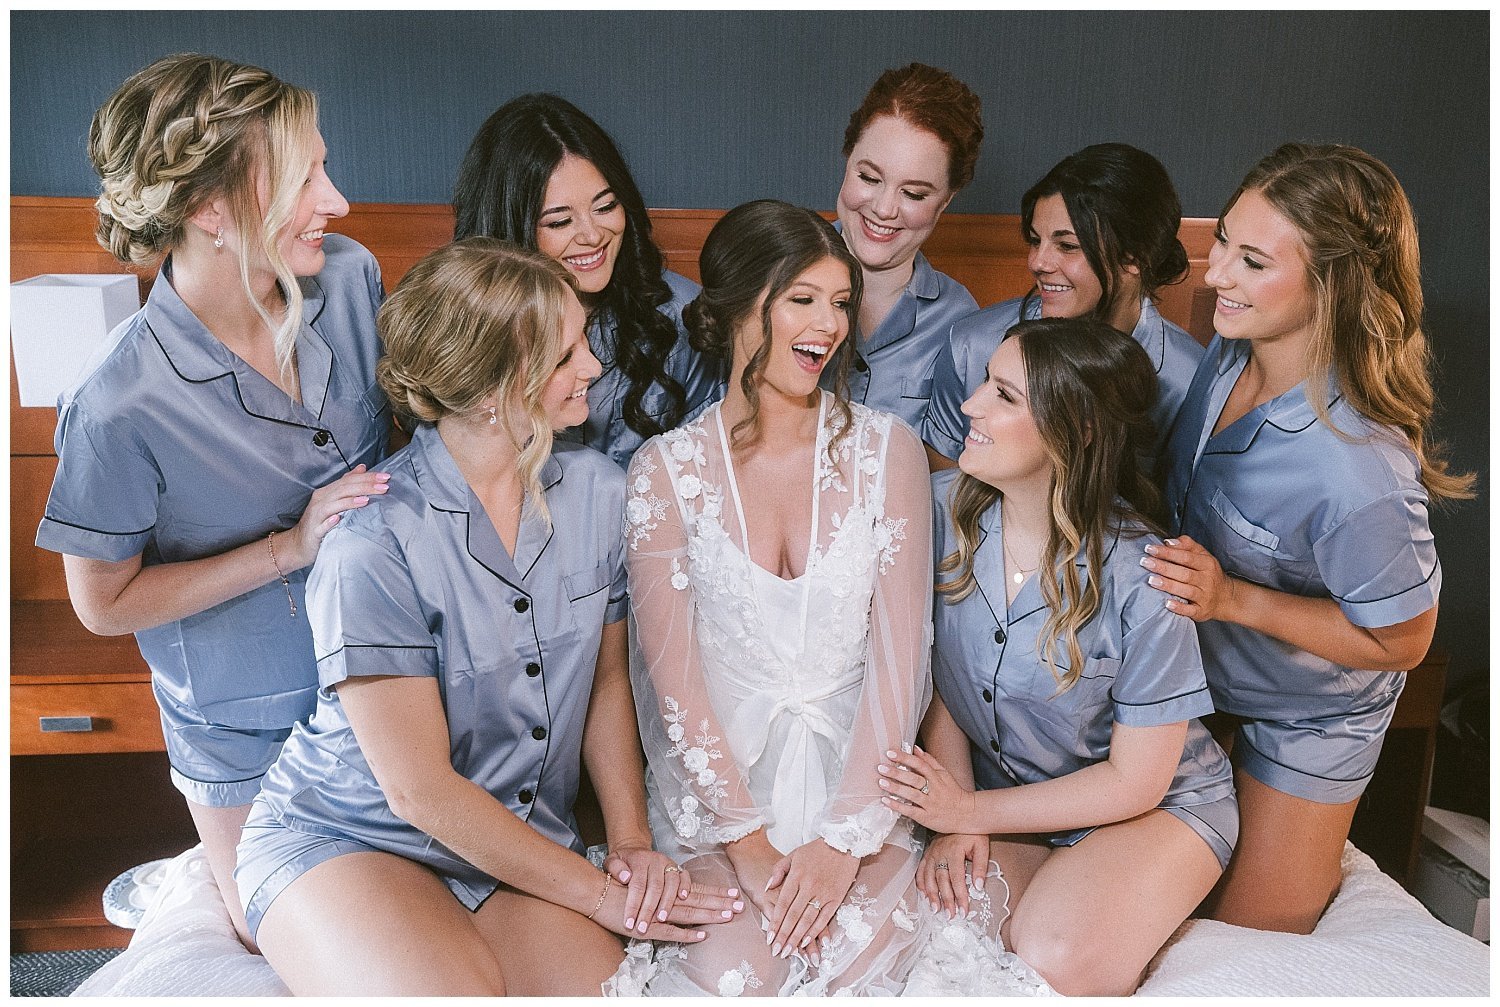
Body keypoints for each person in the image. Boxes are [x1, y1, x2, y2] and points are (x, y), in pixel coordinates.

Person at [235, 238, 741, 995]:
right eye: (566, 352)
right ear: (491, 390)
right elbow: (418, 792)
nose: (593, 369)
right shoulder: (370, 543)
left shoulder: (601, 492)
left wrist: (630, 841)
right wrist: (599, 894)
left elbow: (606, 682)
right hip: (351, 834)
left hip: (518, 836)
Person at [34, 53, 391, 948]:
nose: (337, 201)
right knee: (286, 948)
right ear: (209, 210)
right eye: (307, 175)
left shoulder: (349, 281)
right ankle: (198, 873)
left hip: (388, 687)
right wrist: (286, 547)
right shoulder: (119, 402)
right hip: (246, 732)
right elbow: (102, 603)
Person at [613, 200, 989, 996]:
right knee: (742, 975)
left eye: (841, 301)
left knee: (851, 968)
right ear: (734, 308)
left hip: (861, 783)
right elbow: (674, 690)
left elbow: (899, 663)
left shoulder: (888, 451)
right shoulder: (664, 471)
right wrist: (747, 845)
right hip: (719, 796)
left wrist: (844, 840)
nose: (828, 325)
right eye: (802, 299)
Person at [1147, 143, 1472, 934]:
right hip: (1197, 677)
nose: (1217, 272)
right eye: (1223, 239)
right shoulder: (1227, 350)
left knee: (1245, 945)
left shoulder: (1357, 469)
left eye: (1253, 260)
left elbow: (1403, 640)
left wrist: (1233, 597)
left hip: (1308, 717)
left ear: (1331, 282)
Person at [883, 318, 1237, 996]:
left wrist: (970, 814)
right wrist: (957, 808)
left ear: (1073, 429)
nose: (970, 406)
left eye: (1004, 396)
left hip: (1156, 807)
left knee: (1056, 950)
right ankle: (1082, 889)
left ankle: (1106, 892)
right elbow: (935, 676)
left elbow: (1136, 782)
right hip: (1005, 797)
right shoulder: (931, 510)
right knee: (927, 925)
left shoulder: (1143, 575)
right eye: (985, 382)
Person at [453, 93, 722, 468]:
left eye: (606, 206)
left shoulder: (682, 317)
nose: (592, 235)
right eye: (560, 222)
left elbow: (707, 472)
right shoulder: (459, 322)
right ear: (508, 230)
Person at [924, 143, 1203, 473]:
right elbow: (943, 490)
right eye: (1034, 240)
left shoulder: (1189, 383)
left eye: (1067, 246)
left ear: (1134, 256)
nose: (1037, 262)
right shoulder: (972, 345)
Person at [827, 62, 983, 431]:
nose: (884, 209)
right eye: (868, 177)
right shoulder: (771, 269)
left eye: (913, 193)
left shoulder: (960, 322)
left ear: (945, 201)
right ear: (847, 160)